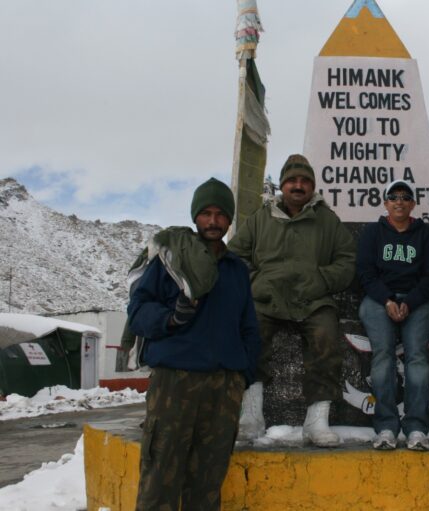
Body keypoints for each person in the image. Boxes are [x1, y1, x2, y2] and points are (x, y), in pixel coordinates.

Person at [128, 177, 260, 511]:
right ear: (195, 217)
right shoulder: (170, 260)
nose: (213, 221)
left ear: (230, 219)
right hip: (175, 382)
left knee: (208, 481)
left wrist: (242, 373)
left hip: (223, 387)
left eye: (220, 214)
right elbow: (138, 311)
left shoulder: (237, 270)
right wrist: (171, 318)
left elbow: (248, 327)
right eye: (206, 213)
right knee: (161, 476)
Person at [229, 154, 356, 447]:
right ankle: (250, 416)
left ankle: (316, 421)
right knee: (250, 335)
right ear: (283, 185)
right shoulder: (261, 218)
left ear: (312, 186)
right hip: (267, 298)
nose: (298, 186)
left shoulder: (327, 220)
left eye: (305, 181)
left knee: (326, 336)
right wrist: (256, 282)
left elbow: (347, 260)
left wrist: (321, 280)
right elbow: (235, 257)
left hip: (312, 299)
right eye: (292, 180)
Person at [356, 180, 429, 451]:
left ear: (413, 204)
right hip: (379, 299)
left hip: (416, 300)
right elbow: (366, 273)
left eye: (405, 197)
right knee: (383, 355)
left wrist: (411, 302)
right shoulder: (373, 232)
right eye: (393, 197)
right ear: (385, 204)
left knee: (417, 357)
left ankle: (416, 428)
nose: (399, 201)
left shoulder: (426, 234)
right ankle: (386, 427)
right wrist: (387, 300)